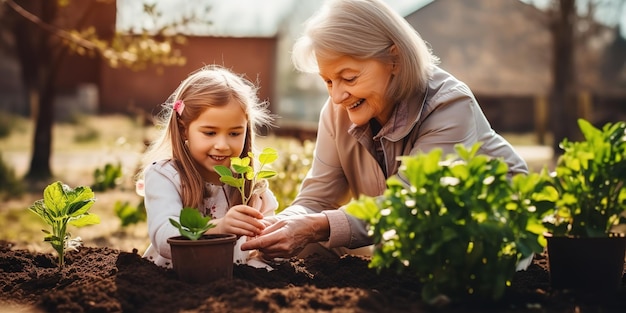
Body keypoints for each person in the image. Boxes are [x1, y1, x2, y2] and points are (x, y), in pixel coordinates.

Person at [241, 0, 529, 260]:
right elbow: (317, 199)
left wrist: (318, 226)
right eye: (328, 81)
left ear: (395, 59)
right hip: (407, 242)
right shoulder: (338, 111)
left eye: (349, 77)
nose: (337, 96)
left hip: (484, 240)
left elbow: (410, 205)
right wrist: (279, 225)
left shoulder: (450, 106)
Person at [137, 65, 278, 269]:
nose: (222, 145)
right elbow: (164, 237)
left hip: (236, 283)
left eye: (234, 133)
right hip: (173, 280)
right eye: (210, 133)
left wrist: (269, 246)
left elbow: (266, 246)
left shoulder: (251, 186)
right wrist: (218, 227)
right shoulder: (165, 176)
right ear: (184, 130)